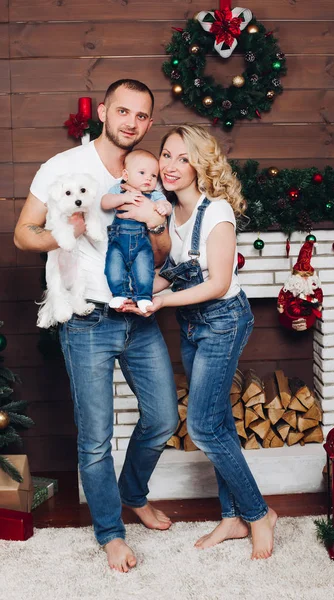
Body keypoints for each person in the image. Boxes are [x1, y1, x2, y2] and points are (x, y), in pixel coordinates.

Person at [13, 79, 179, 573]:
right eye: (123, 111)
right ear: (103, 111)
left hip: (138, 315)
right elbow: (24, 233)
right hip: (86, 319)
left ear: (149, 122)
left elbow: (164, 252)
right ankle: (110, 531)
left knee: (164, 418)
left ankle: (133, 492)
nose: (131, 122)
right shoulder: (63, 167)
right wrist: (66, 234)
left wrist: (155, 223)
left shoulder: (149, 169)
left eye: (142, 116)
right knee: (95, 438)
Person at [120, 125, 277, 559]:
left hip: (224, 321)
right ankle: (232, 519)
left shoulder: (218, 212)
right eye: (166, 155)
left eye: (182, 158)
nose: (170, 166)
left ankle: (259, 513)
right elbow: (171, 271)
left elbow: (218, 283)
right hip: (192, 325)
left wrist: (162, 301)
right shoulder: (167, 212)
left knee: (205, 427)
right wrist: (137, 292)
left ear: (200, 165)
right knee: (220, 421)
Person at [101, 149, 172, 313]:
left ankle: (144, 297)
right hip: (118, 242)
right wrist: (123, 198)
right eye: (142, 172)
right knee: (114, 267)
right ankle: (119, 294)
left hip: (142, 243)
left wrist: (163, 208)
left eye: (154, 176)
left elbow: (167, 206)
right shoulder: (119, 190)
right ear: (126, 175)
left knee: (144, 270)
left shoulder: (154, 195)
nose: (149, 178)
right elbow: (105, 202)